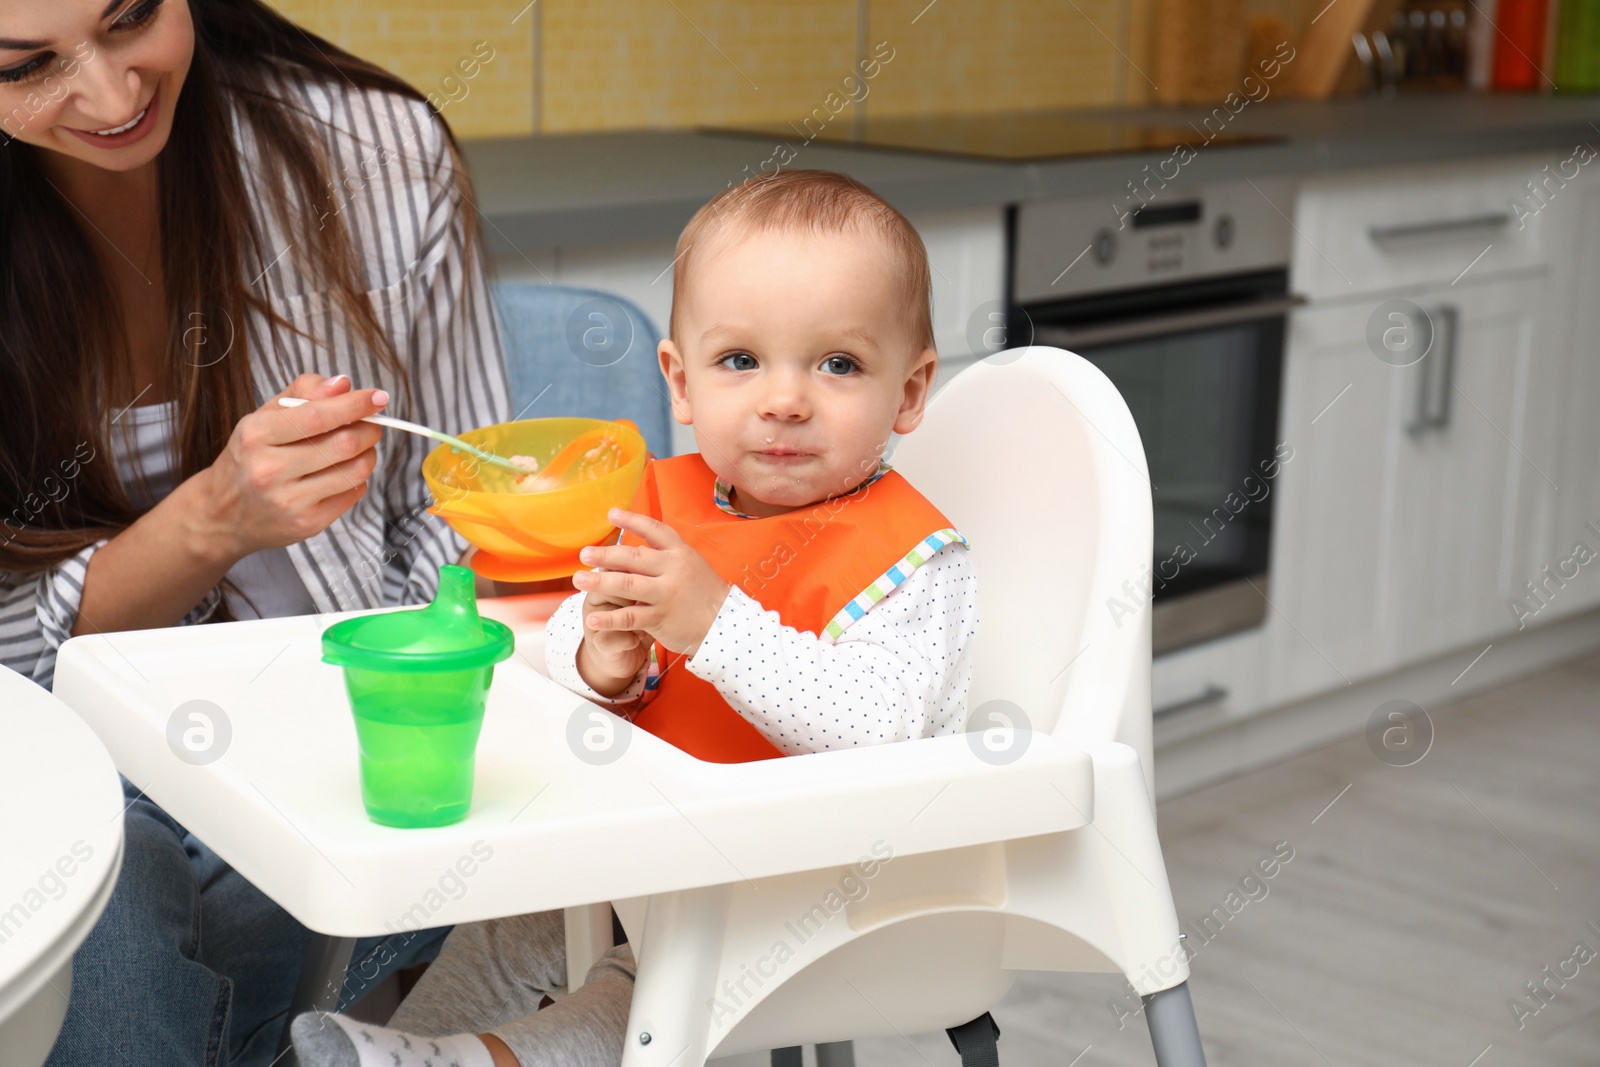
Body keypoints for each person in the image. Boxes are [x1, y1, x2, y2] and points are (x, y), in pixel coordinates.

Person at [291, 170, 980, 1067]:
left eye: (838, 363)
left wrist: (712, 624)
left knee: (643, 973)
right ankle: (404, 1051)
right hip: (664, 847)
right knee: (513, 913)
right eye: (740, 360)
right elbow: (572, 642)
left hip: (825, 885)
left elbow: (881, 728)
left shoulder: (919, 558)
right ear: (680, 382)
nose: (783, 399)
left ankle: (475, 1063)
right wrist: (608, 657)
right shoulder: (663, 502)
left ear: (911, 391)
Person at [0, 1, 509, 1063]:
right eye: (26, 66)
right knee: (110, 890)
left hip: (344, 736)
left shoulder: (372, 155)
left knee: (119, 945)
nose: (110, 92)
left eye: (132, 15)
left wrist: (394, 687)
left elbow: (465, 507)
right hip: (50, 756)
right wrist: (208, 523)